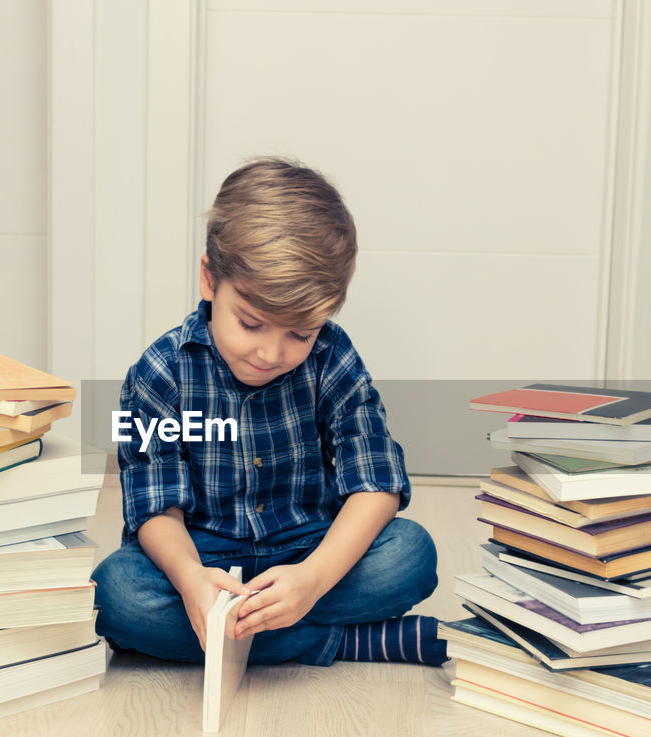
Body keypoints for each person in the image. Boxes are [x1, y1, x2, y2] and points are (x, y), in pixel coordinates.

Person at [93, 157, 445, 667]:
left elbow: (377, 483)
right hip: (202, 559)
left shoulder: (333, 357)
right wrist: (191, 580)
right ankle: (342, 641)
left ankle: (245, 634)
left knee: (411, 555)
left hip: (308, 548)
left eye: (299, 334)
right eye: (252, 324)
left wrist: (315, 578)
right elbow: (154, 509)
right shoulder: (157, 373)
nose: (271, 354)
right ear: (209, 280)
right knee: (114, 593)